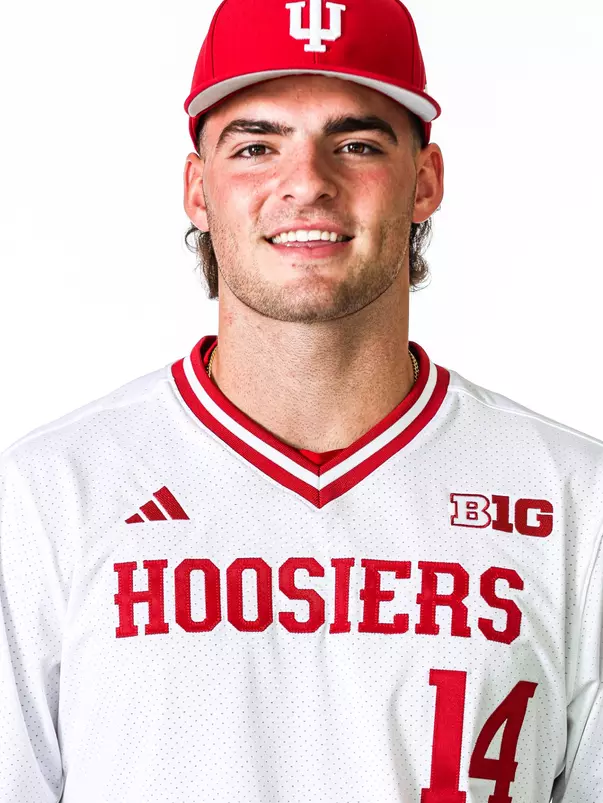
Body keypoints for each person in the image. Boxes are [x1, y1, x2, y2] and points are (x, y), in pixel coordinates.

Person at [1, 0, 601, 800]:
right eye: (255, 145)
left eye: (355, 144)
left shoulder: (572, 498)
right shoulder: (50, 494)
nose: (306, 183)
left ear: (424, 182)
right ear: (197, 188)